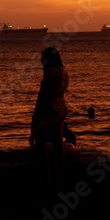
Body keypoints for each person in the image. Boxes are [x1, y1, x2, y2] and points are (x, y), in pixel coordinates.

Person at [30, 47, 69, 184]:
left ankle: (47, 177)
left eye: (44, 59)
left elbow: (43, 97)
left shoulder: (50, 72)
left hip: (49, 111)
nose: (42, 62)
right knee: (58, 143)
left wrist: (35, 121)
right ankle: (58, 176)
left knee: (40, 144)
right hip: (61, 109)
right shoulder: (64, 72)